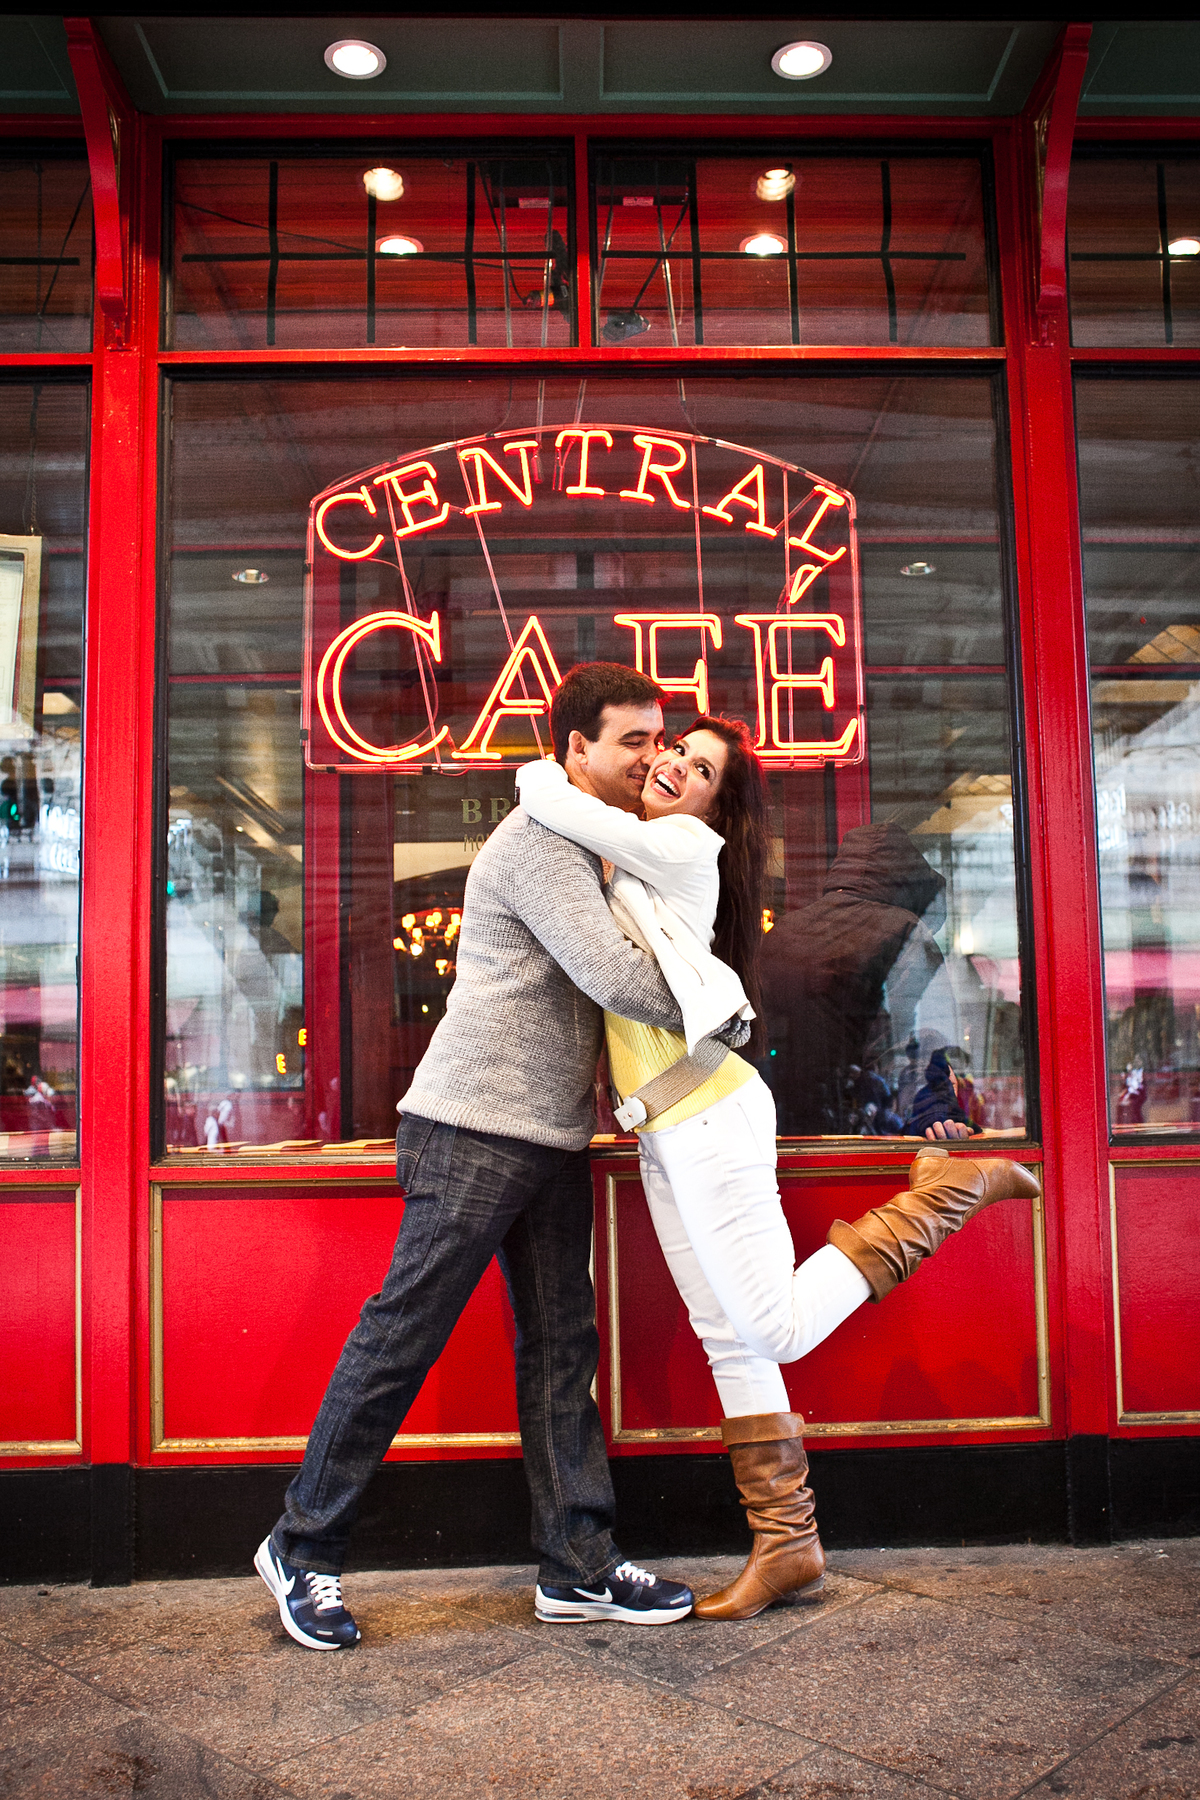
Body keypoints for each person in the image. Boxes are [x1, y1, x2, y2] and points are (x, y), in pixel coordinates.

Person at [517, 716, 1041, 1622]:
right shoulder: (634, 856)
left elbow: (543, 796)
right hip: (665, 1131)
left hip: (713, 1114)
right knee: (731, 1336)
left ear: (718, 806)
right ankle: (787, 1546)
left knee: (775, 1326)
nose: (676, 764)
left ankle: (943, 1197)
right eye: (673, 749)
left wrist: (553, 767)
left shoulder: (679, 845)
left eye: (701, 766)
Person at [256, 663, 713, 1651]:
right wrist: (722, 1000)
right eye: (631, 740)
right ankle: (302, 1547)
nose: (652, 756)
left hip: (550, 1134)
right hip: (471, 1127)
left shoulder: (604, 848)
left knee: (563, 1352)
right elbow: (615, 976)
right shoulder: (544, 841)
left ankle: (578, 1568)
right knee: (402, 1339)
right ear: (575, 750)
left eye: (657, 737)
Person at [761, 821, 962, 1137]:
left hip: (777, 1133)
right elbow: (916, 1045)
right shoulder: (906, 933)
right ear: (907, 882)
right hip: (867, 1130)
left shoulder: (778, 936)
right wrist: (935, 1112)